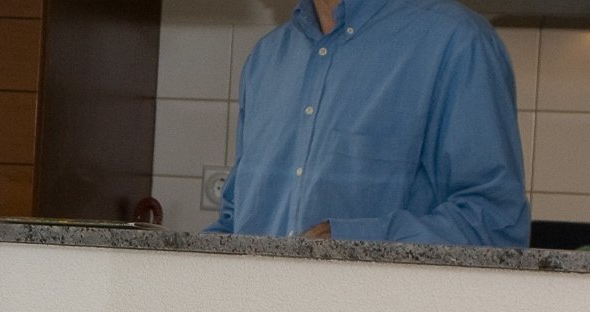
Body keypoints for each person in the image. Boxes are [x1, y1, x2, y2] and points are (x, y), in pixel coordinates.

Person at [209, 0, 528, 247]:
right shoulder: (265, 58)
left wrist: (352, 242)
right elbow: (235, 221)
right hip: (257, 311)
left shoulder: (457, 42)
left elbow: (495, 223)